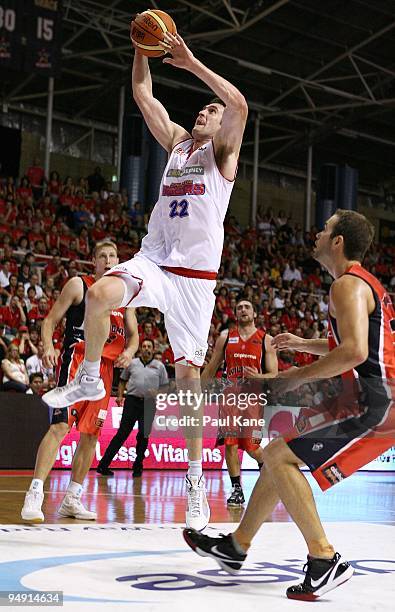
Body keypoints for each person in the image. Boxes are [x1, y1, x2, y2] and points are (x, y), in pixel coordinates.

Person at [41, 27, 248, 530]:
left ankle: (197, 481)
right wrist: (141, 47)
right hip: (155, 261)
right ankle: (89, 376)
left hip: (195, 281)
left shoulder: (222, 156)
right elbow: (142, 93)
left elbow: (239, 102)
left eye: (210, 110)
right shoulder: (178, 144)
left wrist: (191, 61)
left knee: (189, 379)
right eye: (202, 108)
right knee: (99, 293)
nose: (205, 111)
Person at [183, 210, 395, 600]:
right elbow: (353, 346)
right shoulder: (363, 285)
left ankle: (323, 558)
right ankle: (236, 546)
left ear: (338, 242)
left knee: (279, 458)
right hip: (367, 397)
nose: (317, 232)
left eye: (326, 228)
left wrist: (296, 375)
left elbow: (354, 351)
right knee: (276, 455)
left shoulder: (347, 285)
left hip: (375, 402)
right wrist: (302, 344)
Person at [21, 241, 138, 523]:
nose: (108, 260)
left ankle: (72, 498)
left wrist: (130, 352)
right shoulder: (79, 285)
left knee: (91, 436)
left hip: (106, 370)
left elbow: (134, 336)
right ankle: (35, 493)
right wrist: (48, 346)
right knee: (60, 426)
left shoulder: (125, 296)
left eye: (113, 256)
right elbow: (49, 321)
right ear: (94, 262)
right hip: (77, 361)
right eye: (102, 256)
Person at [202, 299, 278, 505]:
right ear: (235, 314)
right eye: (239, 308)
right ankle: (237, 489)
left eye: (247, 307)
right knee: (230, 444)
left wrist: (259, 378)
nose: (243, 310)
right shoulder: (226, 337)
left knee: (252, 447)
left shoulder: (266, 340)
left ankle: (271, 472)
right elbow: (212, 366)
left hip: (253, 398)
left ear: (254, 314)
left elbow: (274, 375)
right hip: (230, 397)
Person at [97, 338, 168, 477]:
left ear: (153, 349)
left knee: (143, 435)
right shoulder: (133, 363)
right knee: (122, 434)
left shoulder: (159, 366)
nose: (146, 348)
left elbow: (165, 386)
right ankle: (103, 465)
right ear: (140, 349)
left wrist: (159, 393)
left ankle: (138, 466)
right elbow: (123, 380)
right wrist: (119, 396)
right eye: (144, 346)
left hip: (149, 403)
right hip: (131, 401)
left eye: (149, 346)